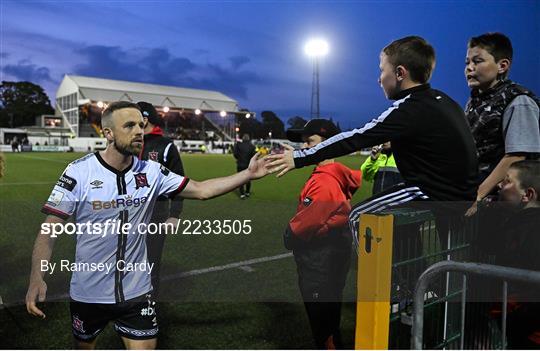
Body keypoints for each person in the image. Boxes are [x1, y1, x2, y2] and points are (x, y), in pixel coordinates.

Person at [25, 101, 269, 349]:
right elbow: (48, 231)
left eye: (141, 125)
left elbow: (202, 189)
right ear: (108, 133)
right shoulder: (78, 172)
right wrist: (37, 276)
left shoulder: (151, 172)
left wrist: (247, 175)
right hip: (88, 294)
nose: (139, 131)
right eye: (129, 125)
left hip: (137, 292)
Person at [267, 36, 478, 244]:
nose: (379, 79)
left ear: (400, 73)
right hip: (461, 195)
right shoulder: (444, 101)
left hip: (433, 194)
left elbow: (356, 137)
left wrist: (300, 157)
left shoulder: (409, 109)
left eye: (382, 70)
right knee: (444, 259)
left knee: (358, 216)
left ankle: (387, 279)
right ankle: (409, 276)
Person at [284, 119, 361, 349]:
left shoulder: (324, 180)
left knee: (323, 329)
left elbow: (299, 230)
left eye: (311, 141)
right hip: (330, 259)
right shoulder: (333, 175)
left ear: (329, 145)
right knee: (330, 321)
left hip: (319, 263)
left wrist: (287, 234)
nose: (305, 147)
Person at [464, 32, 540, 214]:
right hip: (475, 191)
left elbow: (516, 156)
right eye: (467, 62)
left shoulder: (518, 101)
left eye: (478, 61)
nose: (470, 68)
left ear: (502, 66)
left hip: (503, 203)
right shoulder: (474, 102)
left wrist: (478, 195)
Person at [137, 101, 185, 297]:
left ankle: (149, 306)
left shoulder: (165, 146)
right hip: (126, 213)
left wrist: (174, 214)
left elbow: (180, 182)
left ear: (145, 119)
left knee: (151, 263)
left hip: (156, 214)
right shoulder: (126, 143)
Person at [495, 160, 540, 348]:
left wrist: (517, 320)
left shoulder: (527, 231)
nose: (499, 185)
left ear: (527, 195)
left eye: (507, 181)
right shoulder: (518, 225)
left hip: (529, 330)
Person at [233, 134, 256, 199]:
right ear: (248, 139)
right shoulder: (252, 146)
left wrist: (238, 159)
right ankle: (247, 192)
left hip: (240, 164)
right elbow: (254, 156)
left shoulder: (239, 145)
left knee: (240, 179)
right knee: (248, 179)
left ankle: (242, 194)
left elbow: (235, 154)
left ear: (242, 139)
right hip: (248, 165)